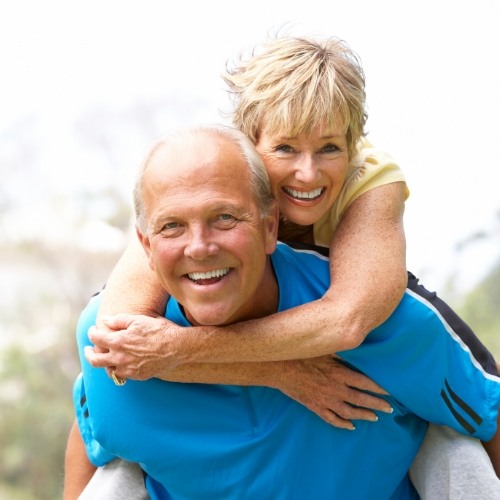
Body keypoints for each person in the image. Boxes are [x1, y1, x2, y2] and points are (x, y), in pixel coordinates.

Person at [81, 35, 500, 495]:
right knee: (109, 435)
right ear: (247, 141)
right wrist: (279, 372)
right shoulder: (202, 194)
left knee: (454, 426)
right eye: (285, 150)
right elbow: (119, 339)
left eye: (329, 149)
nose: (307, 173)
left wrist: (181, 349)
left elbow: (347, 320)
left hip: (356, 312)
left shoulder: (371, 181)